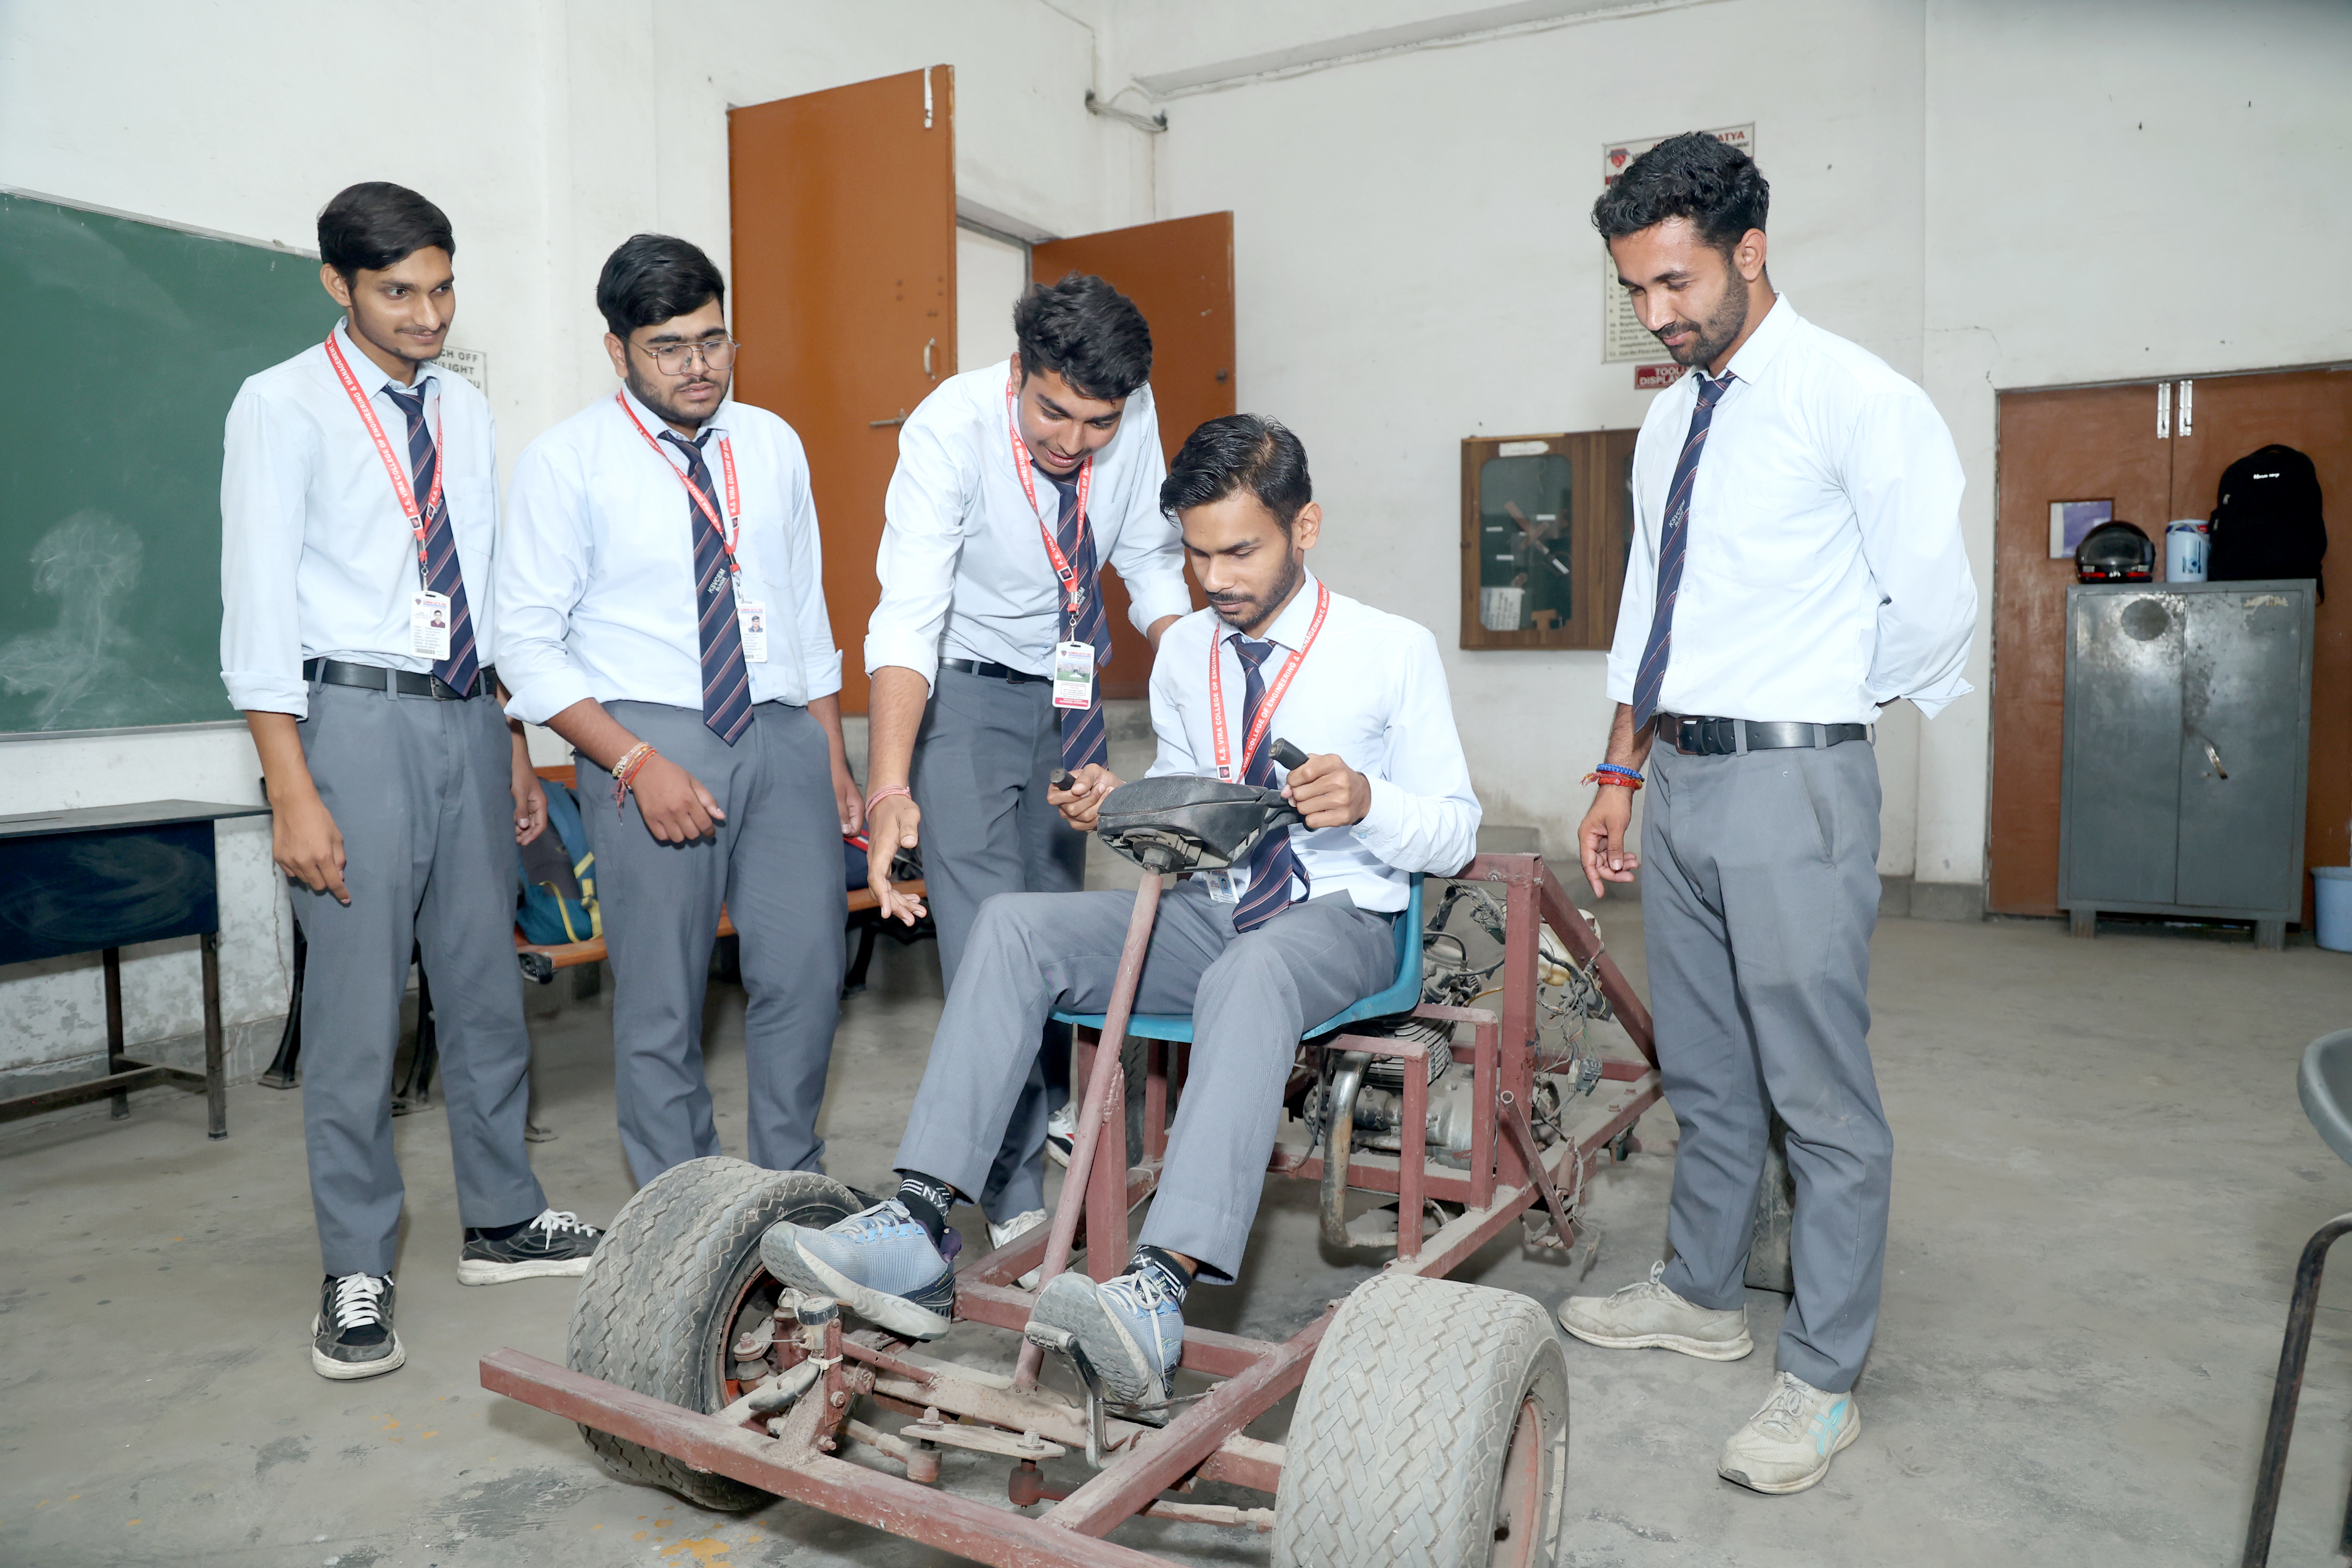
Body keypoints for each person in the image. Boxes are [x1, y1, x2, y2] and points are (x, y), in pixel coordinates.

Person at [763, 415, 1481, 1407]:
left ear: (1304, 527)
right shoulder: (1189, 653)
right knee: (1017, 923)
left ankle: (1161, 1284)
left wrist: (1369, 801)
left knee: (1254, 971)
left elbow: (1453, 832)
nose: (1216, 578)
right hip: (1223, 907)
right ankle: (922, 1222)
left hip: (1340, 922)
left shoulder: (1390, 650)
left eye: (1242, 550)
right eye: (1195, 554)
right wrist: (1122, 807)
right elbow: (1194, 815)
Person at [1556, 133, 1976, 1495]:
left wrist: (1814, 705)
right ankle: (1698, 1294)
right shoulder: (1674, 415)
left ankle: (1824, 1375)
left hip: (1794, 779)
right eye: (1636, 292)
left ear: (1750, 251)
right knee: (1709, 1064)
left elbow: (1940, 607)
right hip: (1675, 777)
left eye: (1675, 282)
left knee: (1820, 1096)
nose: (1659, 314)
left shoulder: (1859, 398)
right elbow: (1648, 614)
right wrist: (1623, 770)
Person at [221, 182, 602, 1383]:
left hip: (461, 721)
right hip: (352, 721)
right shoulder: (280, 407)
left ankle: (500, 1217)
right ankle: (356, 1265)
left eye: (442, 289)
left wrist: (510, 742)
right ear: (338, 285)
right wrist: (293, 787)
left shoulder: (465, 411)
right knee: (355, 1014)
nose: (429, 314)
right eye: (400, 293)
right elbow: (259, 607)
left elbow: (480, 592)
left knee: (488, 988)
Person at [497, 234, 858, 1188]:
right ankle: (685, 1209)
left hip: (781, 732)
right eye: (669, 347)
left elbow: (806, 608)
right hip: (651, 738)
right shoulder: (566, 462)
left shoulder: (771, 443)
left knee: (808, 975)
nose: (699, 367)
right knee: (661, 1000)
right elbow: (524, 645)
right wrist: (631, 763)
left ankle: (792, 1186)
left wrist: (831, 754)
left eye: (714, 340)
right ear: (617, 350)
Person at [859, 273, 1192, 1254]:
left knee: (1057, 923)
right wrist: (888, 785)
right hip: (963, 697)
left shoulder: (1127, 418)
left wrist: (1207, 690)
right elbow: (908, 616)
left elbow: (1149, 559)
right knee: (987, 942)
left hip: (1072, 693)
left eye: (1099, 422)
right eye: (1053, 411)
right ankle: (1002, 1186)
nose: (1075, 440)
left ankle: (1048, 1103)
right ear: (1017, 373)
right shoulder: (947, 431)